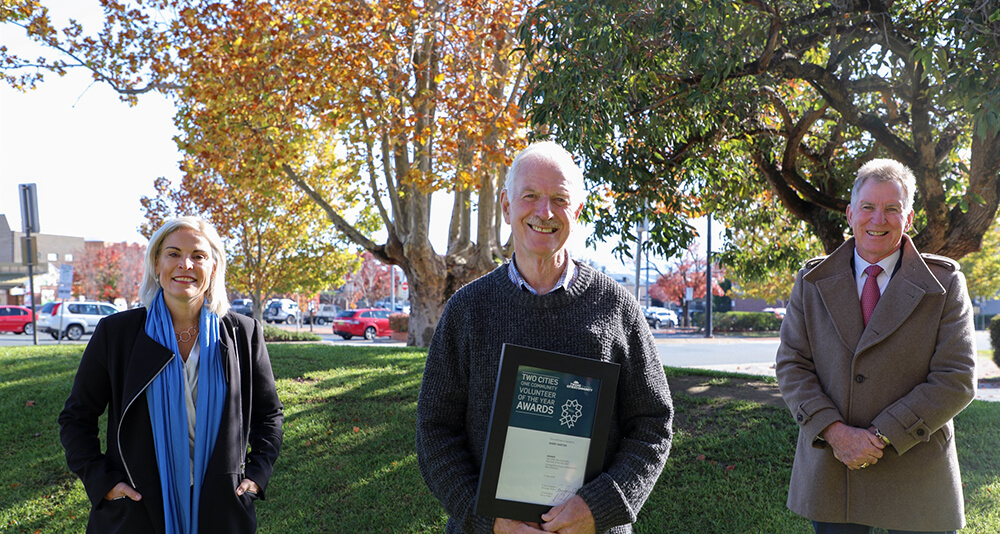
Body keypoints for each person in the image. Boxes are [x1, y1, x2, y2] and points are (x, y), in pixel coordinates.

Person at [416, 141, 673, 534]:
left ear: (577, 212)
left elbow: (653, 424)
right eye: (530, 196)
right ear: (506, 207)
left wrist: (598, 508)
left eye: (559, 199)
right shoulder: (468, 309)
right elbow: (435, 430)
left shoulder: (616, 307)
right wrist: (489, 519)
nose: (545, 212)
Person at [775, 159, 977, 534]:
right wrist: (836, 433)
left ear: (909, 218)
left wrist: (880, 436)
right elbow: (792, 365)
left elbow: (957, 378)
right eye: (868, 206)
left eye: (892, 209)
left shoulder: (945, 284)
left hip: (916, 471)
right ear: (850, 214)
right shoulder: (811, 280)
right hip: (835, 469)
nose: (878, 219)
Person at [59, 216, 284, 533]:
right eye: (173, 254)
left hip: (222, 510)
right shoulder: (118, 333)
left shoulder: (242, 334)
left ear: (214, 267)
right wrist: (103, 481)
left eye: (198, 256)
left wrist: (256, 476)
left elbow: (269, 414)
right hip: (137, 512)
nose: (185, 265)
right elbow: (76, 417)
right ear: (156, 263)